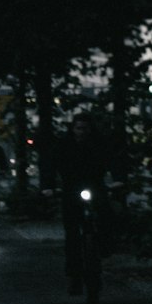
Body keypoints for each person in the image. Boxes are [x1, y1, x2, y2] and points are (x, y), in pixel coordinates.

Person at [55, 112, 110, 294]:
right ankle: (74, 274)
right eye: (79, 128)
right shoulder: (65, 145)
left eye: (85, 128)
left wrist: (118, 179)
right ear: (73, 129)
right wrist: (51, 186)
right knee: (72, 233)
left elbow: (112, 162)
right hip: (71, 192)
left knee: (105, 219)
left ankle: (103, 248)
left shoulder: (100, 145)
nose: (82, 132)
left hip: (95, 189)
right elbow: (54, 165)